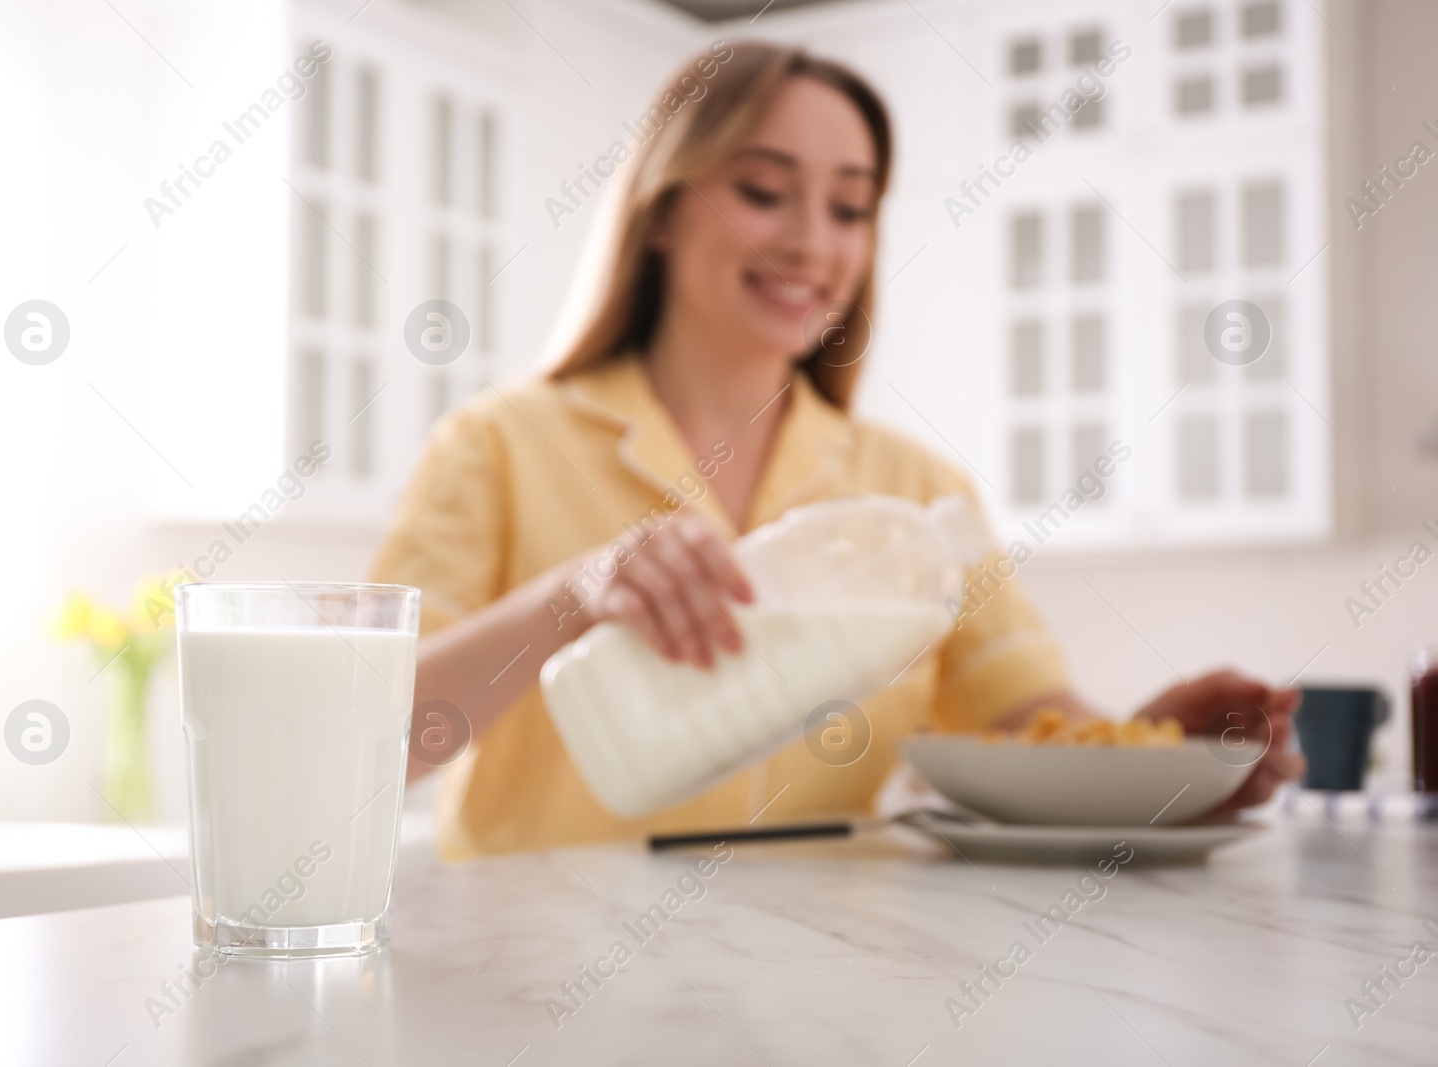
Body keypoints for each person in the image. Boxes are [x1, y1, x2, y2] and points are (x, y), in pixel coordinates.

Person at [368, 41, 1303, 859]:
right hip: (542, 980)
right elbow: (369, 749)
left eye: (851, 208)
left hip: (829, 984)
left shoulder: (918, 488)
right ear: (659, 210)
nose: (814, 242)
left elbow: (1028, 726)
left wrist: (1160, 757)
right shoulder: (496, 445)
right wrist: (572, 595)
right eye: (763, 191)